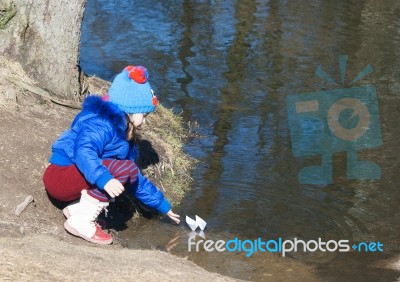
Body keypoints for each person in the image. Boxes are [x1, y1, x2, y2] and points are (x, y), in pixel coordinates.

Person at [43, 65, 180, 245]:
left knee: (126, 168)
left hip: (71, 180)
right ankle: (81, 222)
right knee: (122, 169)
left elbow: (133, 177)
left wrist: (162, 205)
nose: (145, 121)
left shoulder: (122, 131)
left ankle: (78, 209)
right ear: (130, 107)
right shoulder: (102, 124)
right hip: (60, 177)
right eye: (144, 114)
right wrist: (105, 179)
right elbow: (84, 151)